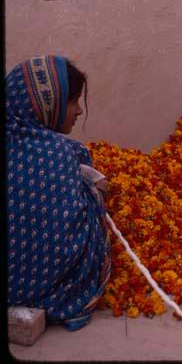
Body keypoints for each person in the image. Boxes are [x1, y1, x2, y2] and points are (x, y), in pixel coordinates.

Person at [7, 55, 111, 331]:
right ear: (46, 104)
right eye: (73, 101)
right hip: (53, 291)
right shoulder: (59, 154)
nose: (78, 111)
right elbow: (66, 239)